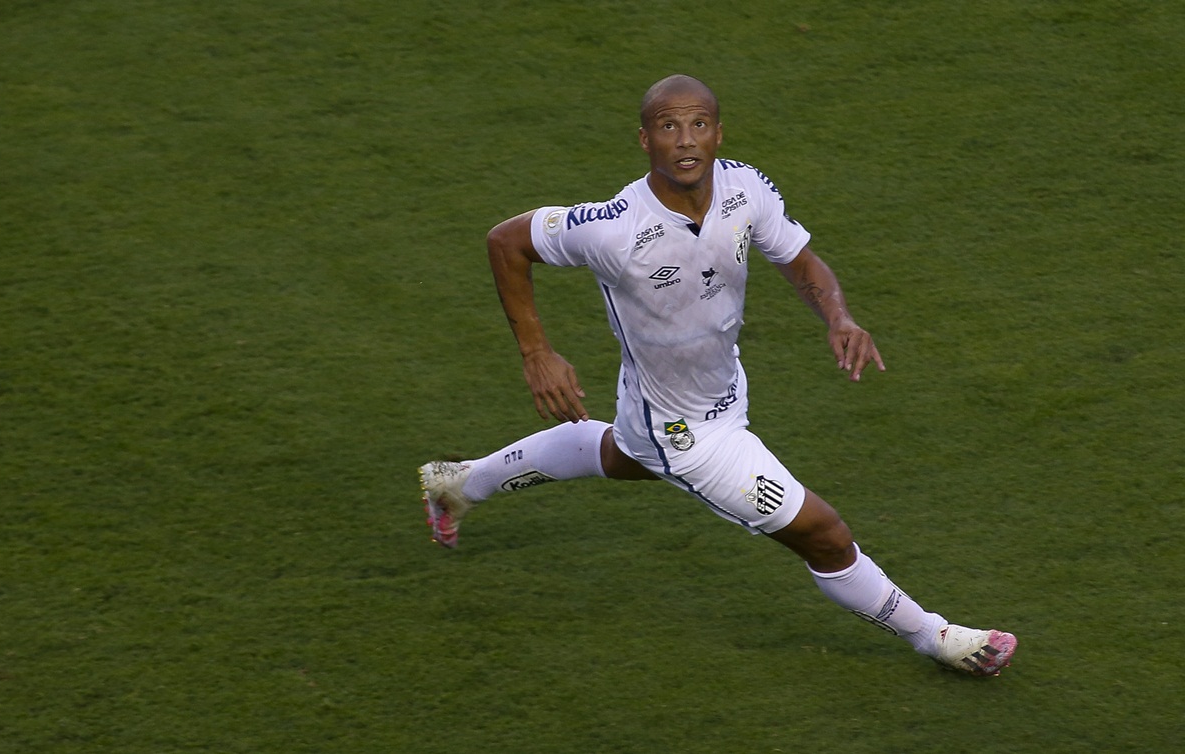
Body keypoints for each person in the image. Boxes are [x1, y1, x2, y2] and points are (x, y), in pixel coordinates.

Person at [419, 74, 1017, 676]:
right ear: (645, 140)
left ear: (718, 133)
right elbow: (506, 242)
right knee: (824, 534)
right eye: (668, 127)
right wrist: (536, 353)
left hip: (711, 388)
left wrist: (838, 316)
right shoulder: (614, 227)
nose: (685, 141)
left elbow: (798, 257)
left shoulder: (745, 188)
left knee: (623, 454)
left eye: (699, 125)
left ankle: (459, 484)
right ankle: (937, 638)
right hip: (682, 431)